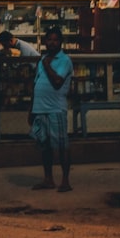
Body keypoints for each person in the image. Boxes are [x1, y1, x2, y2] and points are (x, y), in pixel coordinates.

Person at [28, 26, 73, 192]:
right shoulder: (42, 60)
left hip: (55, 109)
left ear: (60, 42)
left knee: (62, 146)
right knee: (45, 146)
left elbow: (58, 82)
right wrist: (32, 109)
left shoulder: (64, 61)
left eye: (55, 40)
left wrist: (47, 64)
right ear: (45, 42)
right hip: (40, 109)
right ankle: (48, 179)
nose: (52, 43)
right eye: (49, 40)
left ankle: (65, 181)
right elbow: (35, 84)